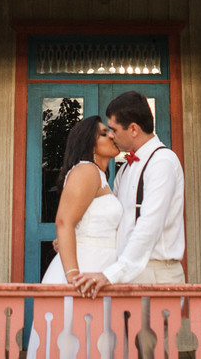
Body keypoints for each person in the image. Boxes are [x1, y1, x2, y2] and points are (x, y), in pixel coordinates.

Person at [75, 90, 184, 297]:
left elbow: (149, 226)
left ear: (133, 129)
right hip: (125, 273)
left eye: (114, 129)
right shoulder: (124, 170)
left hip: (156, 274)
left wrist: (111, 274)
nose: (111, 135)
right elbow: (114, 222)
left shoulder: (163, 163)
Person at [40, 115, 124, 284]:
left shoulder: (100, 177)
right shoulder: (87, 170)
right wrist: (73, 278)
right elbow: (64, 222)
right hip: (88, 266)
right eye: (103, 134)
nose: (111, 136)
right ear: (89, 143)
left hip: (102, 265)